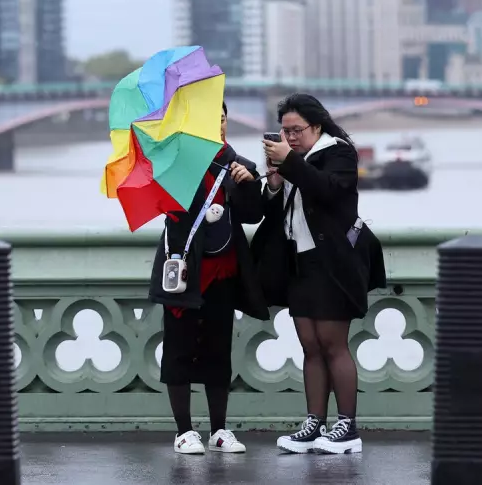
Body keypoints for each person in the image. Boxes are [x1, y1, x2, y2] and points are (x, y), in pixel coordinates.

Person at [252, 93, 386, 455]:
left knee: (333, 344)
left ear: (317, 126)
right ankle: (314, 423)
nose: (290, 137)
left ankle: (347, 426)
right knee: (309, 346)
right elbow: (271, 212)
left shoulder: (339, 153)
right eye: (284, 131)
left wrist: (291, 162)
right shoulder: (291, 161)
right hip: (300, 262)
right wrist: (275, 182)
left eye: (296, 130)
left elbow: (330, 191)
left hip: (335, 264)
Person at [148, 101, 270, 455]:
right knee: (178, 349)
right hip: (185, 271)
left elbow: (252, 214)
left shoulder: (238, 166)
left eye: (223, 119)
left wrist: (247, 184)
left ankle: (219, 430)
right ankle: (184, 431)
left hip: (225, 272)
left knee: (219, 352)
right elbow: (170, 211)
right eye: (211, 119)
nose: (219, 124)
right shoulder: (176, 165)